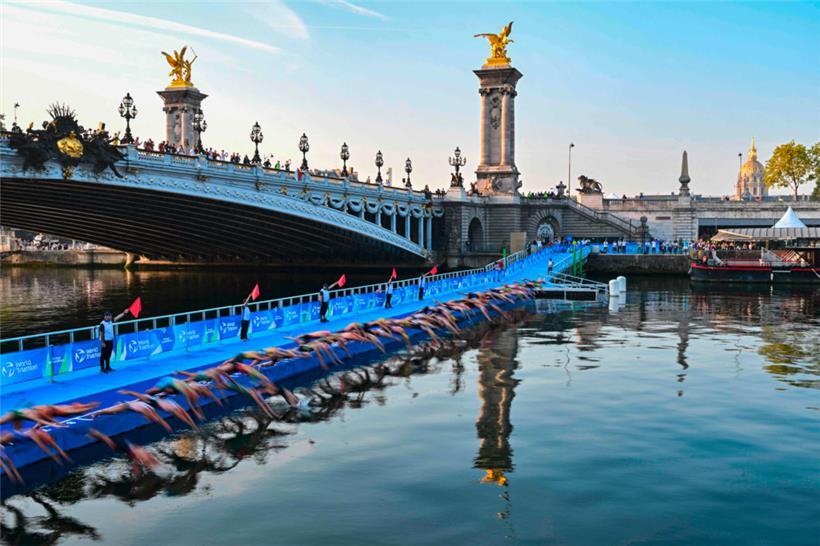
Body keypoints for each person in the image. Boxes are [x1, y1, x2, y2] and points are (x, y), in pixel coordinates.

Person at [99, 308, 128, 373]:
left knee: (108, 354)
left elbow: (117, 317)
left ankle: (108, 367)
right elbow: (101, 334)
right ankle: (102, 368)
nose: (110, 317)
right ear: (105, 317)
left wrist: (124, 313)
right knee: (103, 355)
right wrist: (103, 342)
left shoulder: (110, 321)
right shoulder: (102, 324)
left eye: (110, 316)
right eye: (108, 316)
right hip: (105, 341)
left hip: (110, 340)